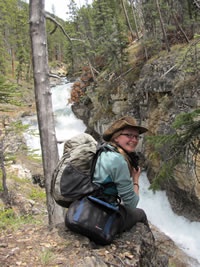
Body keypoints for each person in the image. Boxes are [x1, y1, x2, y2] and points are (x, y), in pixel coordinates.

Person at [93, 116, 149, 232]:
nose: (134, 140)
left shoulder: (104, 151)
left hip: (91, 204)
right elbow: (131, 204)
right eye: (129, 135)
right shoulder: (118, 161)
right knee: (141, 214)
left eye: (136, 136)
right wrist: (135, 180)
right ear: (116, 137)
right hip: (102, 212)